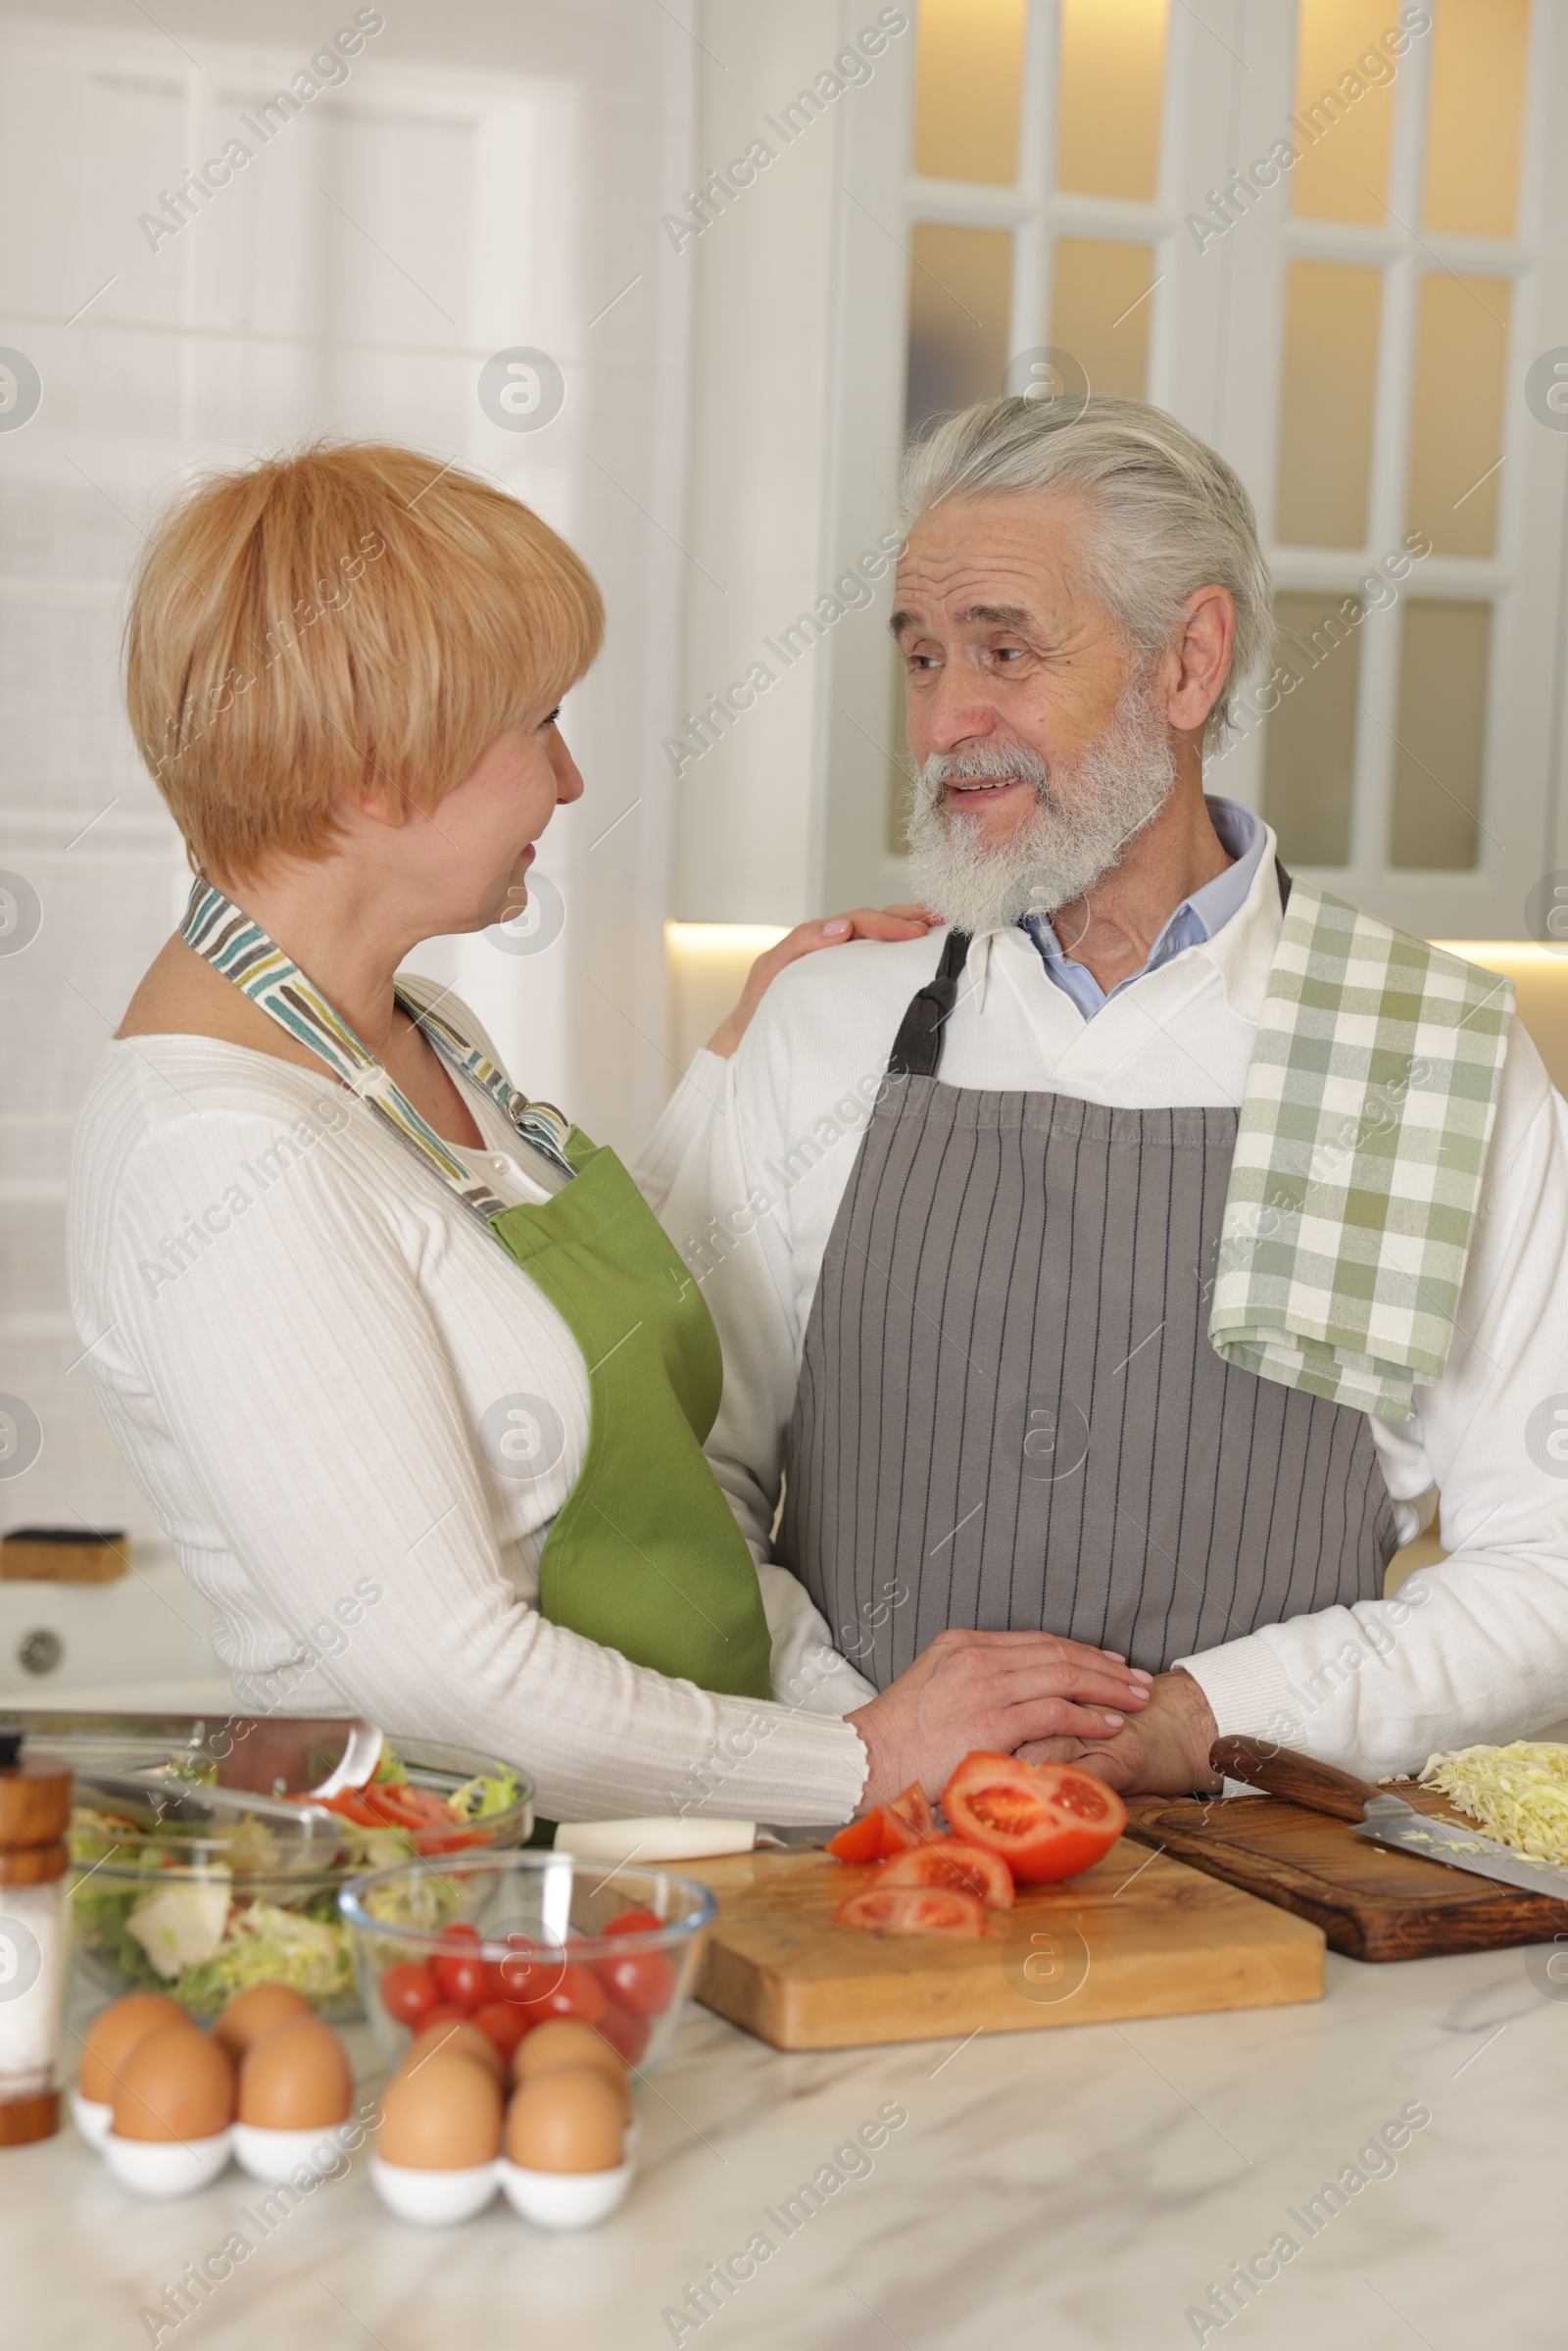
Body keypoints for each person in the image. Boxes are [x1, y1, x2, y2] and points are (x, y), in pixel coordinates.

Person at [66, 440, 1153, 1829]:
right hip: (478, 1908)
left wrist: (741, 1048)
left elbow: (530, 1337)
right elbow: (442, 1681)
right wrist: (864, 1760)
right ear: (373, 771)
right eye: (538, 723)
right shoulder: (213, 1152)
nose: (569, 781)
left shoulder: (409, 1028)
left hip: (670, 1850)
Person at [649, 392, 1568, 1797]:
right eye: (920, 656)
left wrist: (1206, 1718)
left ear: (1187, 662)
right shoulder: (828, 1027)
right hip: (869, 1878)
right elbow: (677, 1491)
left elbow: (1547, 1567)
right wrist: (863, 1736)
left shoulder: (1412, 1054)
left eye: (1004, 650)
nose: (947, 720)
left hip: (1266, 1903)